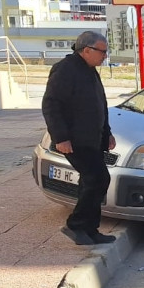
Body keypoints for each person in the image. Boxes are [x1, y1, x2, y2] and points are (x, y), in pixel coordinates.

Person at [42, 31, 116, 246]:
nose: (105, 56)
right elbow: (51, 105)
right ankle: (75, 225)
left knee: (90, 181)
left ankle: (89, 229)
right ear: (87, 50)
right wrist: (61, 137)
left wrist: (107, 133)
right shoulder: (66, 69)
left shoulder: (90, 70)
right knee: (98, 179)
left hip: (93, 138)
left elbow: (98, 106)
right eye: (102, 51)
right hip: (75, 139)